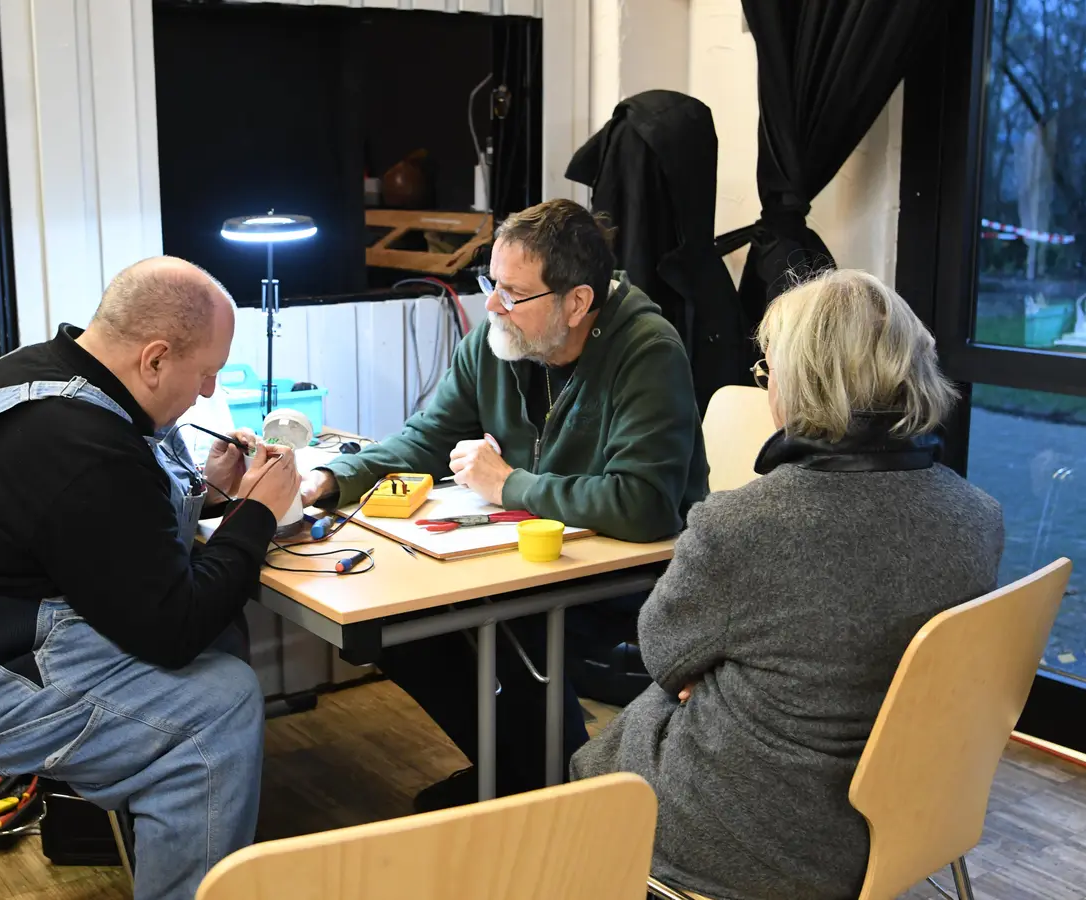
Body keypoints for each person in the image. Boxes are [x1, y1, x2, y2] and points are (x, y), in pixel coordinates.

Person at [0, 257, 300, 900]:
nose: (209, 390)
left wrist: (210, 491)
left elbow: (111, 533)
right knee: (218, 705)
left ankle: (185, 835)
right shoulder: (75, 439)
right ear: (155, 359)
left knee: (221, 635)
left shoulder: (48, 376)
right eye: (206, 372)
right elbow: (174, 625)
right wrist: (258, 514)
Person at [569, 269, 1006, 900]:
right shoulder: (978, 517)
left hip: (766, 838)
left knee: (602, 758)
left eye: (767, 371)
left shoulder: (741, 526)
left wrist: (721, 672)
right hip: (915, 812)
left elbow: (663, 656)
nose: (767, 386)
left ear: (802, 383)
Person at [301, 198, 708, 809]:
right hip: (531, 557)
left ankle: (553, 795)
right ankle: (520, 778)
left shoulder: (648, 350)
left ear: (577, 303)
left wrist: (508, 484)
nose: (491, 305)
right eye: (491, 283)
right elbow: (425, 440)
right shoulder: (500, 342)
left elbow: (644, 504)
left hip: (628, 575)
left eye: (513, 293)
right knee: (389, 626)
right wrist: (328, 480)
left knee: (506, 627)